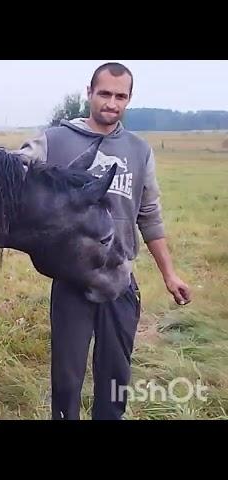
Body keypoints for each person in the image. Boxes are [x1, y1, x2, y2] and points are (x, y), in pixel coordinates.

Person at [14, 62, 192, 420]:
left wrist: (169, 275)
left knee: (115, 376)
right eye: (105, 93)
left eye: (120, 96)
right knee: (66, 377)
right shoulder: (55, 140)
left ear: (129, 99)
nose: (112, 103)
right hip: (72, 280)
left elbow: (149, 215)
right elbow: (9, 176)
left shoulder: (139, 151)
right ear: (89, 93)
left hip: (120, 279)